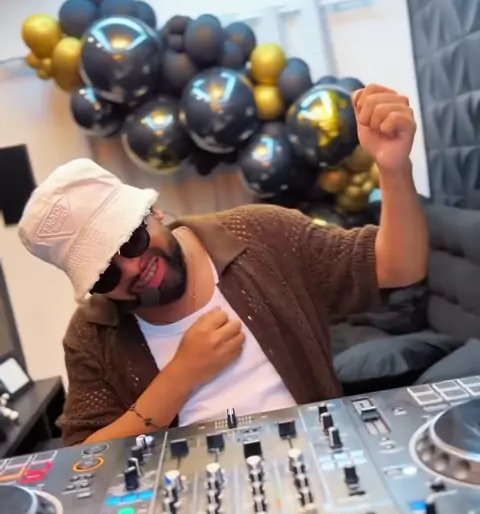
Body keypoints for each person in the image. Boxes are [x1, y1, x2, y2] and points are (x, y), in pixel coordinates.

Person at [19, 84, 428, 446]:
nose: (131, 269)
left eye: (132, 241)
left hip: (319, 468)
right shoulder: (92, 333)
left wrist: (393, 167)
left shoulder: (261, 235)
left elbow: (398, 267)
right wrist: (180, 378)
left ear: (154, 211)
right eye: (105, 274)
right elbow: (85, 461)